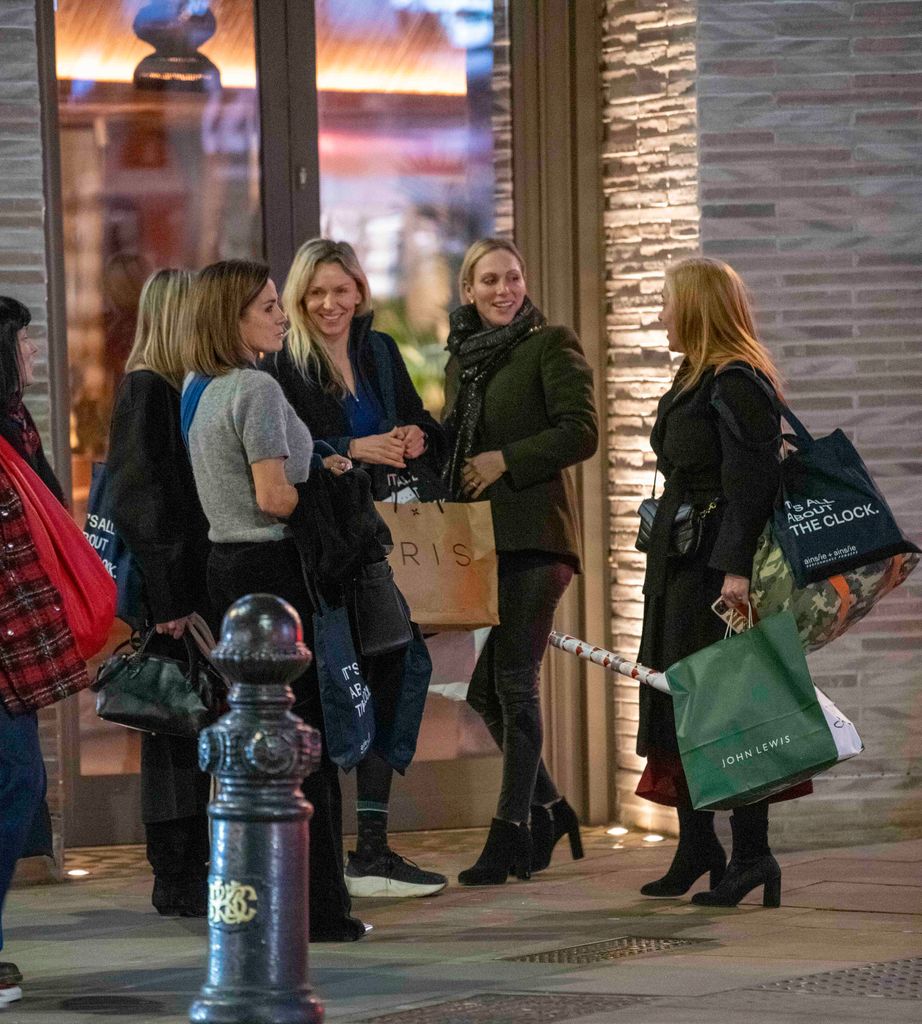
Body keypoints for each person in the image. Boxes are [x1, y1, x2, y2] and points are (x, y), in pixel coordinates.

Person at [181, 259, 365, 941]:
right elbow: (273, 496)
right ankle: (320, 906)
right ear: (231, 318)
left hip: (228, 570)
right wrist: (326, 480)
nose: (282, 316)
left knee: (257, 738)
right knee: (300, 737)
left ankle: (261, 897)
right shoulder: (255, 388)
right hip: (273, 567)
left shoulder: (202, 388)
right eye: (267, 307)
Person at [269, 238, 447, 899]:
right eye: (316, 292)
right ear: (298, 298)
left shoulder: (379, 351)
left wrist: (414, 437)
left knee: (402, 667)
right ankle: (332, 853)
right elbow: (287, 450)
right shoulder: (286, 364)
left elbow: (420, 421)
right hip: (331, 543)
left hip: (392, 535)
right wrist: (349, 446)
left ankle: (370, 844)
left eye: (340, 289)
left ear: (360, 291)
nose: (329, 303)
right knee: (347, 682)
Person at [636, 256, 808, 909]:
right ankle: (698, 845)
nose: (659, 313)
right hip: (682, 564)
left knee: (729, 708)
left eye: (666, 302)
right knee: (684, 700)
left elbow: (753, 481)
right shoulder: (695, 374)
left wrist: (736, 567)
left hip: (714, 570)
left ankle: (752, 853)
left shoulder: (737, 381)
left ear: (696, 309)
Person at [443, 238, 598, 885]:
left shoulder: (550, 343)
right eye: (489, 280)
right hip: (488, 546)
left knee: (513, 686)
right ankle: (552, 807)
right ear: (468, 291)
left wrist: (506, 460)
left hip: (538, 541)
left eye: (512, 277)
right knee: (486, 693)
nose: (504, 290)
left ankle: (510, 834)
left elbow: (581, 430)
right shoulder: (465, 363)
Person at [106, 269, 213, 917]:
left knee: (182, 725)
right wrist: (171, 600)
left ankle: (184, 867)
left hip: (177, 587)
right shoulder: (147, 390)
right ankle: (175, 872)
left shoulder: (167, 388)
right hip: (169, 594)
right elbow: (143, 503)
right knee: (171, 727)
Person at [0, 297, 79, 1007]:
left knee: (18, 784)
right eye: (19, 344)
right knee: (14, 782)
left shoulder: (13, 424)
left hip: (8, 645)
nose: (28, 357)